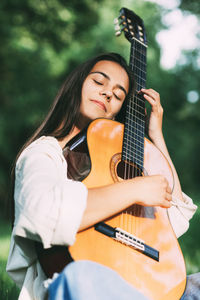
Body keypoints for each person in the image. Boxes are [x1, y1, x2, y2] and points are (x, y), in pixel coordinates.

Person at [6, 52, 198, 300]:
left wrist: (156, 134)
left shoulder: (112, 160)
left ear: (117, 111)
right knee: (82, 274)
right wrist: (135, 190)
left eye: (118, 95)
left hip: (148, 288)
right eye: (99, 82)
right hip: (84, 286)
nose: (108, 93)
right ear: (76, 85)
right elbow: (42, 213)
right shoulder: (44, 153)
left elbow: (176, 216)